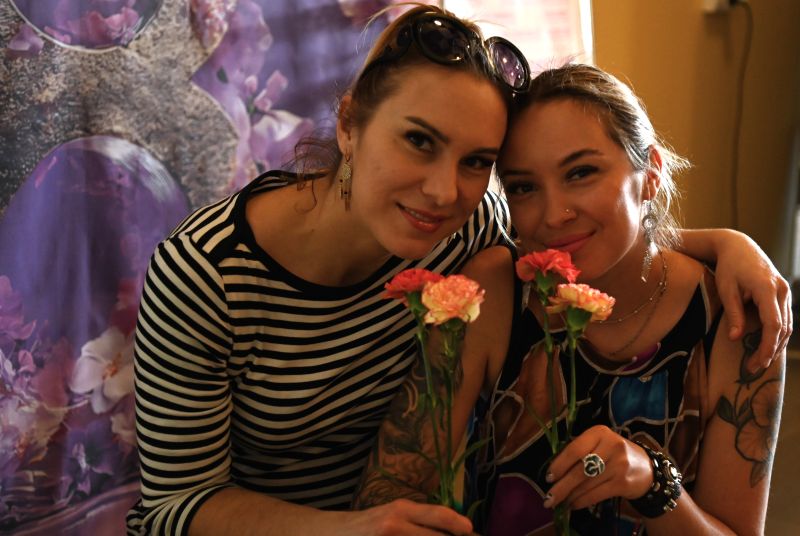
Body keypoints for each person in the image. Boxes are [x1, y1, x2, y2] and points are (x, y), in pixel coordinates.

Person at [126, 3, 789, 533]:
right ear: (349, 125)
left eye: (477, 162)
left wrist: (729, 245)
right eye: (419, 140)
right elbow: (174, 506)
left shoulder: (464, 229)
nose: (443, 190)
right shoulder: (205, 275)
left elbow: (577, 240)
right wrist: (347, 528)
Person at [354, 64, 787, 536]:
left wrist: (652, 484)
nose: (554, 215)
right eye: (524, 187)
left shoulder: (736, 315)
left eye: (581, 173)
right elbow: (389, 490)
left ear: (651, 173)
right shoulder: (495, 290)